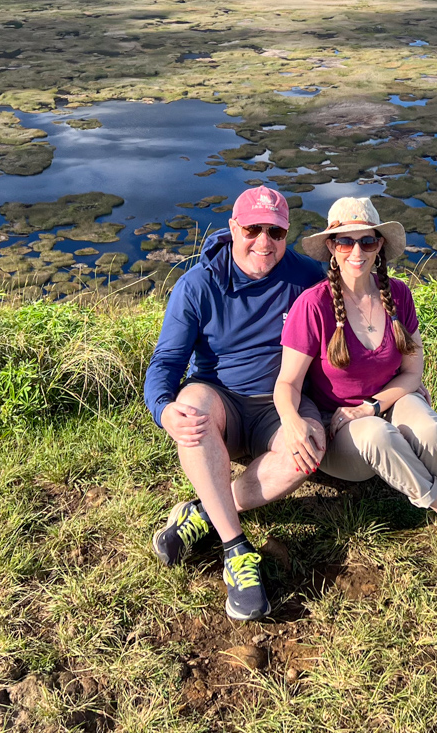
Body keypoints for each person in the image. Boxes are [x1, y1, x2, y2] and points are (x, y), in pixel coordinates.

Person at [274, 196, 437, 567]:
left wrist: (371, 407)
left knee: (430, 427)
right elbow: (287, 383)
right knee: (378, 434)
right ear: (332, 248)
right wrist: (292, 422)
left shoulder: (397, 293)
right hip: (340, 429)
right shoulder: (313, 305)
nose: (357, 251)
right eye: (345, 241)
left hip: (385, 403)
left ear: (379, 245)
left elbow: (412, 372)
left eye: (367, 241)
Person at [143, 185, 328, 620]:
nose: (264, 242)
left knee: (309, 450)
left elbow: (346, 338)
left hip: (282, 404)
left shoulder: (308, 278)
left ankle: (206, 509)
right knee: (191, 406)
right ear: (233, 228)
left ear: (287, 234)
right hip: (221, 399)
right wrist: (165, 410)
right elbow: (167, 361)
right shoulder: (197, 285)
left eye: (276, 232)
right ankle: (235, 548)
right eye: (253, 229)